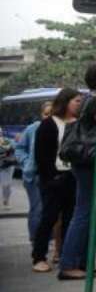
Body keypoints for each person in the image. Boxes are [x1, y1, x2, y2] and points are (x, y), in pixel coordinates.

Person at [59, 63, 96, 280]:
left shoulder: (84, 98)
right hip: (91, 162)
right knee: (84, 212)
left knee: (87, 212)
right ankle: (68, 265)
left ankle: (83, 262)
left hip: (83, 161)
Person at [31, 88, 81, 273]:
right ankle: (38, 256)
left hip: (74, 177)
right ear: (66, 102)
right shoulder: (48, 124)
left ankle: (66, 255)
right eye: (76, 101)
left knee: (71, 219)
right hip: (53, 178)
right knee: (49, 218)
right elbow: (41, 156)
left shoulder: (80, 123)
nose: (79, 104)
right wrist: (51, 178)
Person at [14, 101, 52, 240]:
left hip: (53, 176)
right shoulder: (32, 128)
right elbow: (19, 148)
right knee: (38, 208)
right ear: (41, 115)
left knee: (50, 210)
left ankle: (48, 240)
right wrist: (26, 162)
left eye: (52, 114)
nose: (49, 117)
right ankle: (36, 241)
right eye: (46, 114)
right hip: (34, 175)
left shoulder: (60, 128)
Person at [0, 128, 16, 209]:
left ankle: (6, 200)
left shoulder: (7, 141)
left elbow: (15, 148)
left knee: (6, 185)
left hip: (6, 166)